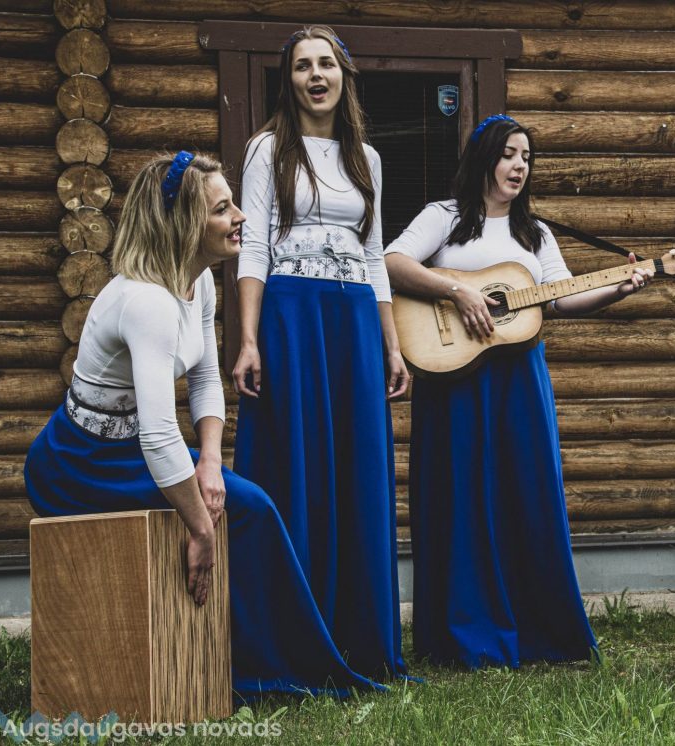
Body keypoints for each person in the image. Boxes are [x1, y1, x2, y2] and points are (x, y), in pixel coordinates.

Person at [24, 152, 380, 698]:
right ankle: (262, 672)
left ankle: (272, 663)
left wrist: (211, 463)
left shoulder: (200, 283)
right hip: (80, 465)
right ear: (184, 224)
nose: (240, 216)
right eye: (222, 209)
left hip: (137, 454)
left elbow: (207, 381)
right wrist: (201, 530)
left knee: (251, 507)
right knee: (243, 512)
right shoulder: (147, 302)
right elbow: (159, 434)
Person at [384, 114, 653, 668]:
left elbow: (562, 299)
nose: (518, 166)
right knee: (460, 495)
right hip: (455, 379)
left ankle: (538, 629)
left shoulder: (535, 233)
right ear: (484, 157)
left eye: (526, 157)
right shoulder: (445, 217)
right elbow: (389, 262)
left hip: (520, 381)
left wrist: (619, 288)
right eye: (509, 154)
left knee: (525, 491)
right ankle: (464, 630)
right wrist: (456, 291)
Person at [230, 26, 409, 682]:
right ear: (290, 80)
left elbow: (373, 255)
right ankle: (294, 634)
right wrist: (249, 339)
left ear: (343, 75)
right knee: (297, 460)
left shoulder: (367, 159)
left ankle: (359, 636)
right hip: (292, 316)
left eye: (326, 64)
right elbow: (254, 247)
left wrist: (392, 345)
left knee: (355, 464)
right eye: (303, 65)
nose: (315, 75)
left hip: (354, 321)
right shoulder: (267, 149)